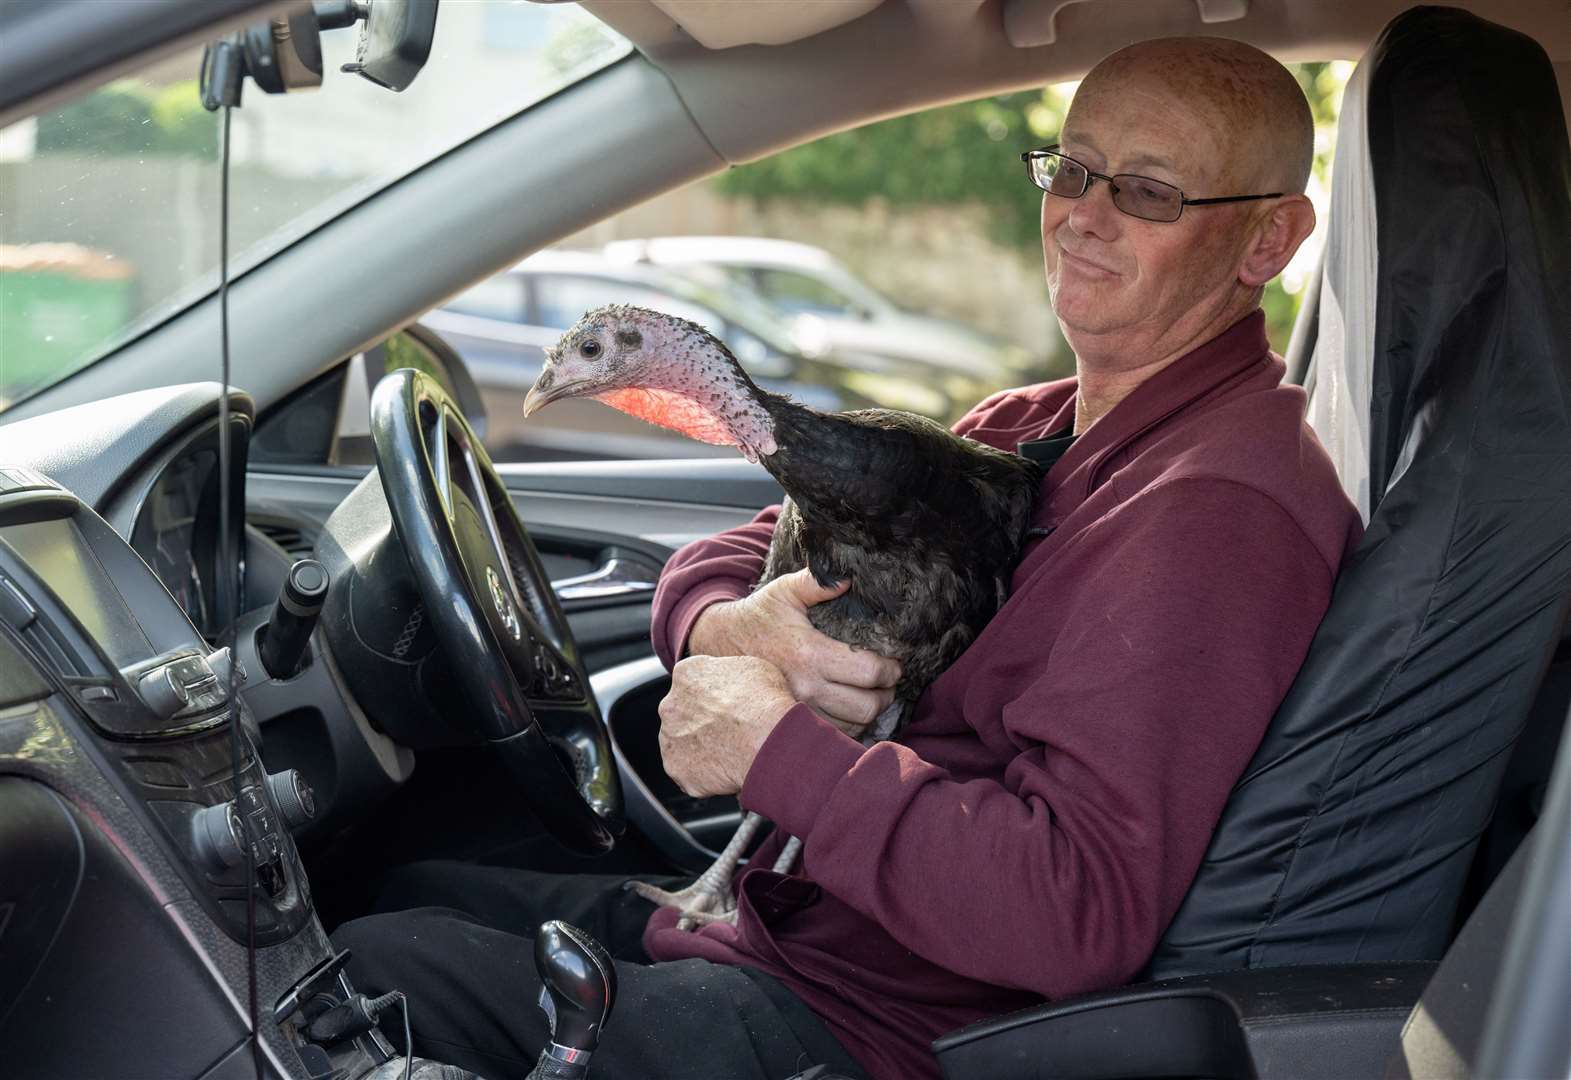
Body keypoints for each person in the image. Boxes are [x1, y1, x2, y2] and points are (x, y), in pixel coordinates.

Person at [335, 36, 1363, 1080]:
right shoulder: (1030, 424)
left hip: (859, 1032)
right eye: (1074, 168)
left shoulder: (1217, 508)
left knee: (367, 980)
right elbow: (752, 548)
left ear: (1265, 241)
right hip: (785, 928)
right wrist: (720, 626)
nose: (1081, 215)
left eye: (1146, 192)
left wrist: (775, 751)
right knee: (397, 889)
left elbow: (1074, 910)